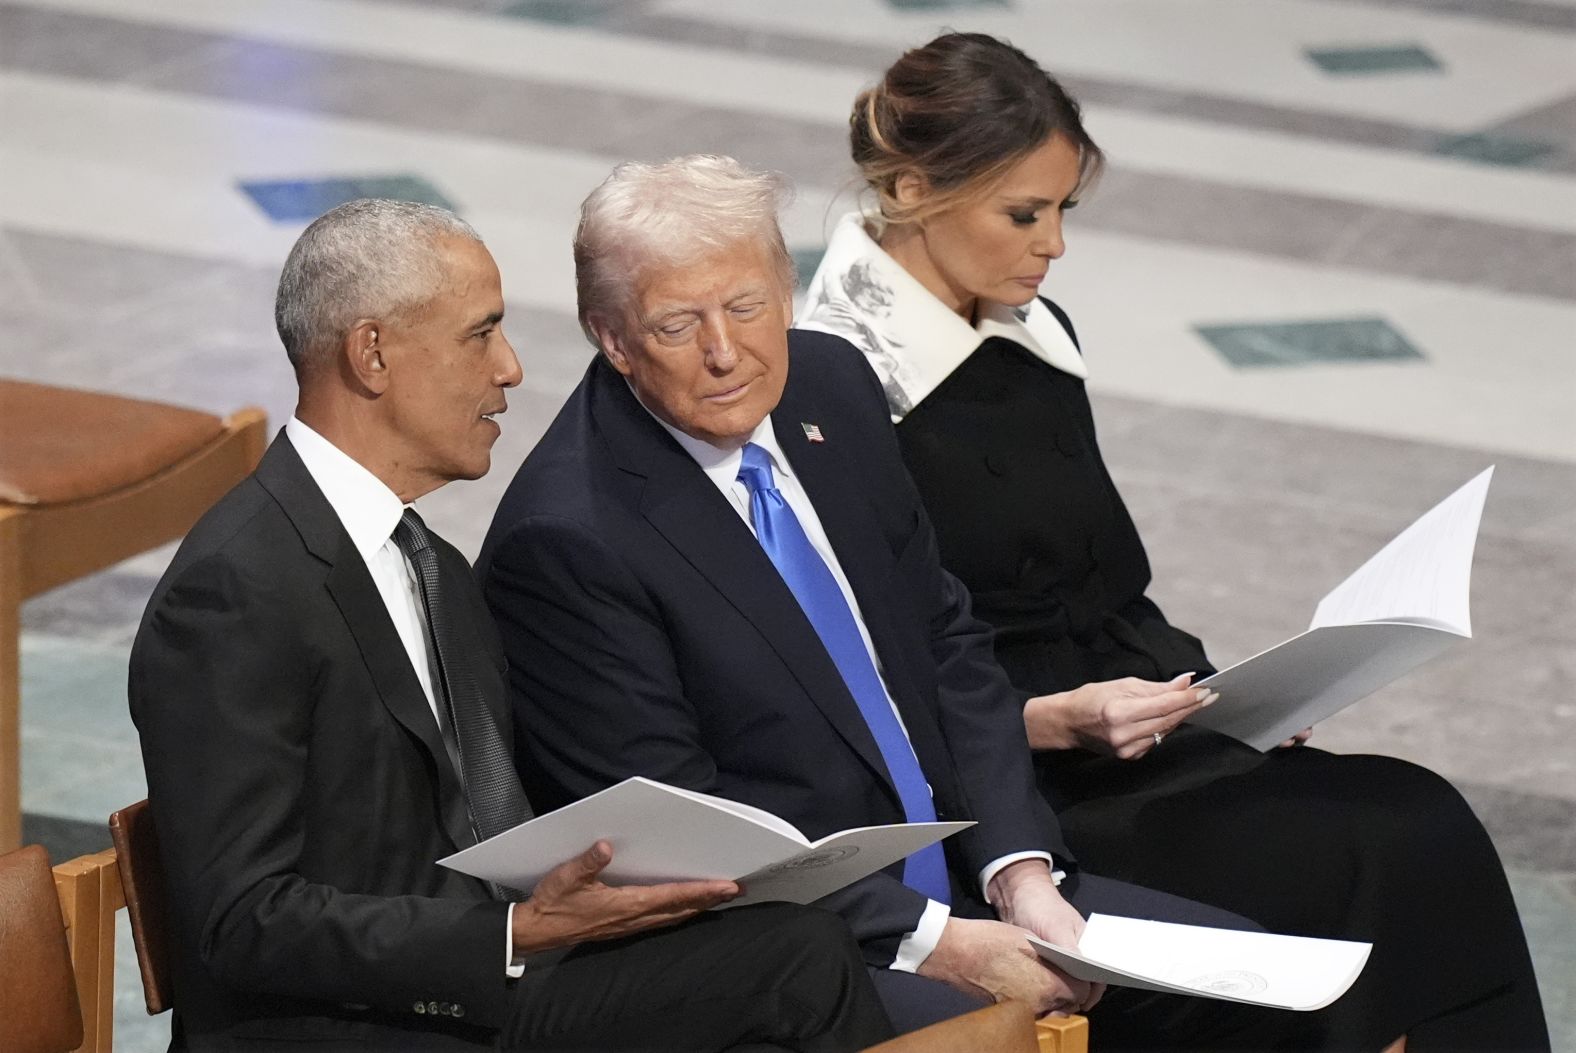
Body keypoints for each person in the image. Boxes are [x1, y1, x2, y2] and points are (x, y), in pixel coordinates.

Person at [796, 31, 1549, 1052]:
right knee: (1350, 849)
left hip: (1138, 732)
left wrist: (1227, 689)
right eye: (1025, 213)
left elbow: (1101, 586)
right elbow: (860, 687)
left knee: (1421, 814)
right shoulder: (835, 389)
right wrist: (1052, 722)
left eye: (1063, 210)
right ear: (916, 187)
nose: (1051, 242)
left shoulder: (1034, 334)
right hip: (1013, 792)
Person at [478, 155, 1336, 1048]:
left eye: (746, 306)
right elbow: (686, 839)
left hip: (969, 873)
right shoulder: (569, 541)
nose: (726, 352)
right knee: (989, 1034)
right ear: (611, 338)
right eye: (675, 325)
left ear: (787, 287)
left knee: (1256, 986)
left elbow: (946, 640)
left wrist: (1020, 871)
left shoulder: (829, 385)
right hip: (805, 937)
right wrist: (939, 942)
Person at [128, 198, 893, 1052]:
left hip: (480, 988)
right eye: (479, 334)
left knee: (789, 946)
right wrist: (509, 935)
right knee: (795, 966)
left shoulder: (431, 565)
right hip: (353, 1024)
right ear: (372, 353)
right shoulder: (236, 591)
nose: (512, 367)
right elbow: (240, 922)